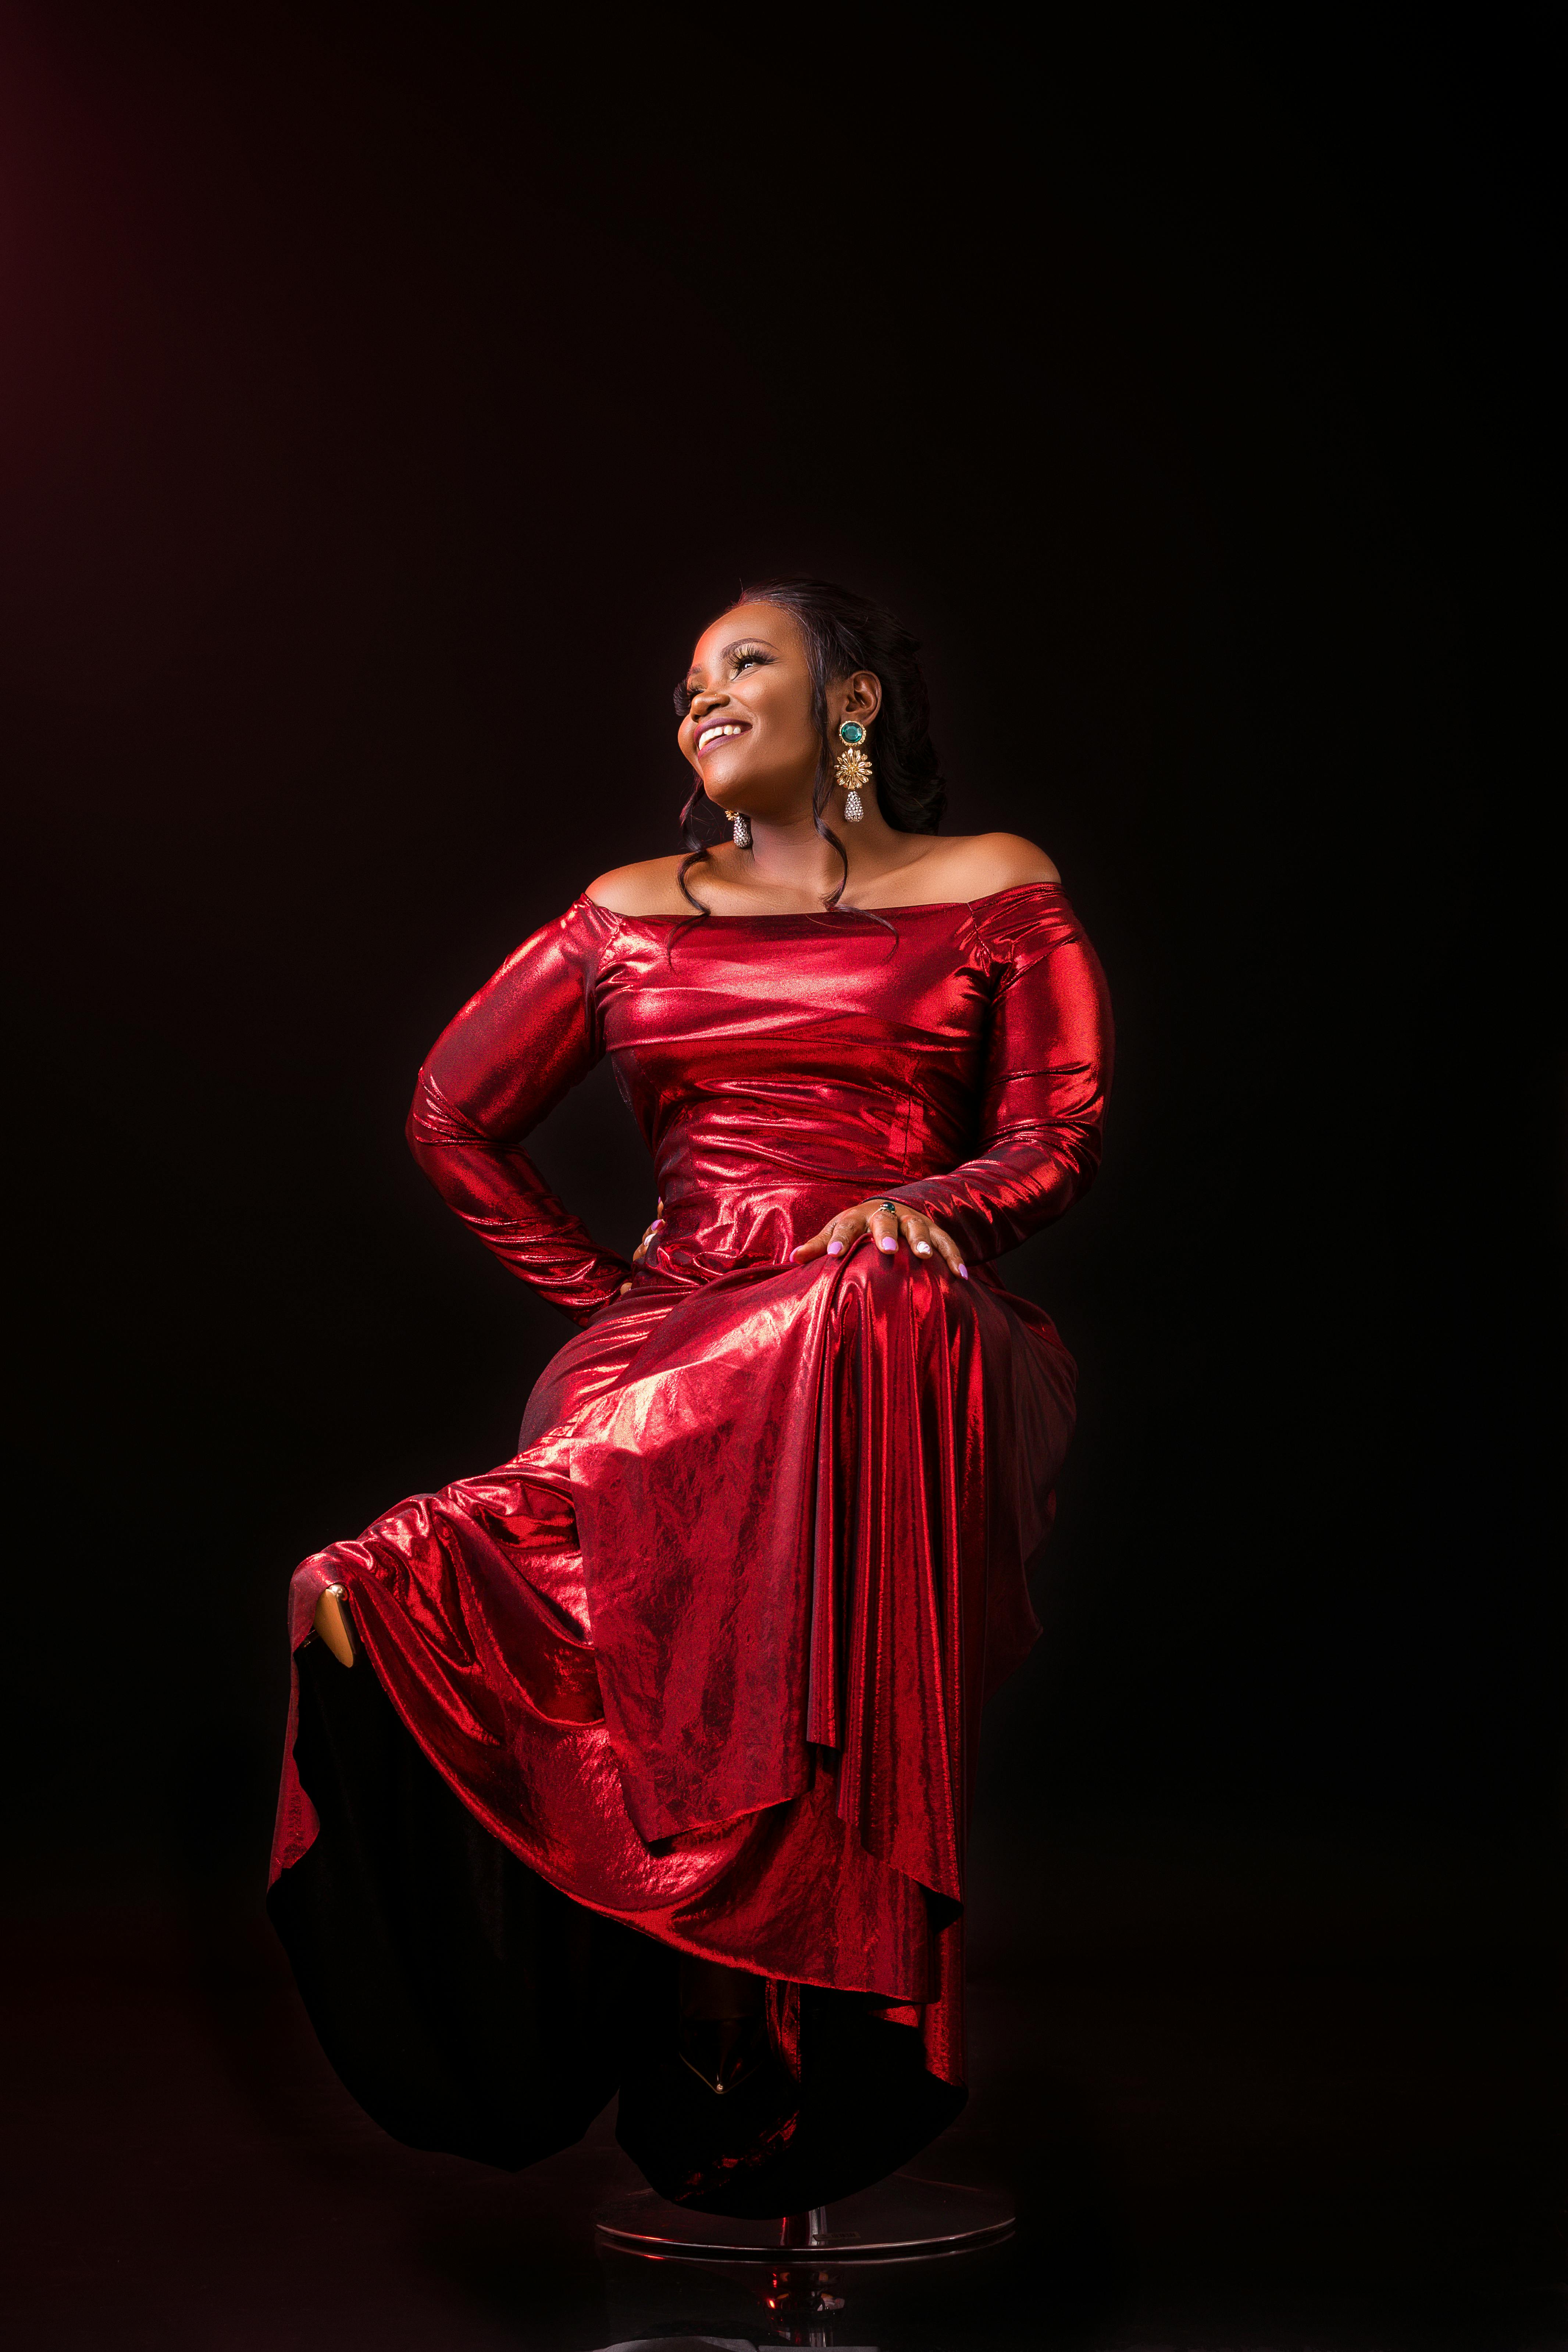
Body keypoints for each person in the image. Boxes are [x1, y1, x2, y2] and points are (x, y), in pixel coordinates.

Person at [267, 578, 1113, 2217]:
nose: (700, 698)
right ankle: (694, 1999)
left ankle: (772, 1994)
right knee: (518, 1547)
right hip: (673, 1348)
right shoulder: (626, 909)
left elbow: (1057, 1134)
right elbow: (451, 1117)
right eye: (684, 684)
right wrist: (616, 1299)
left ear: (849, 705)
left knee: (863, 1304)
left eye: (744, 664)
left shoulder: (992, 886)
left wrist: (936, 1210)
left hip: (909, 1336)